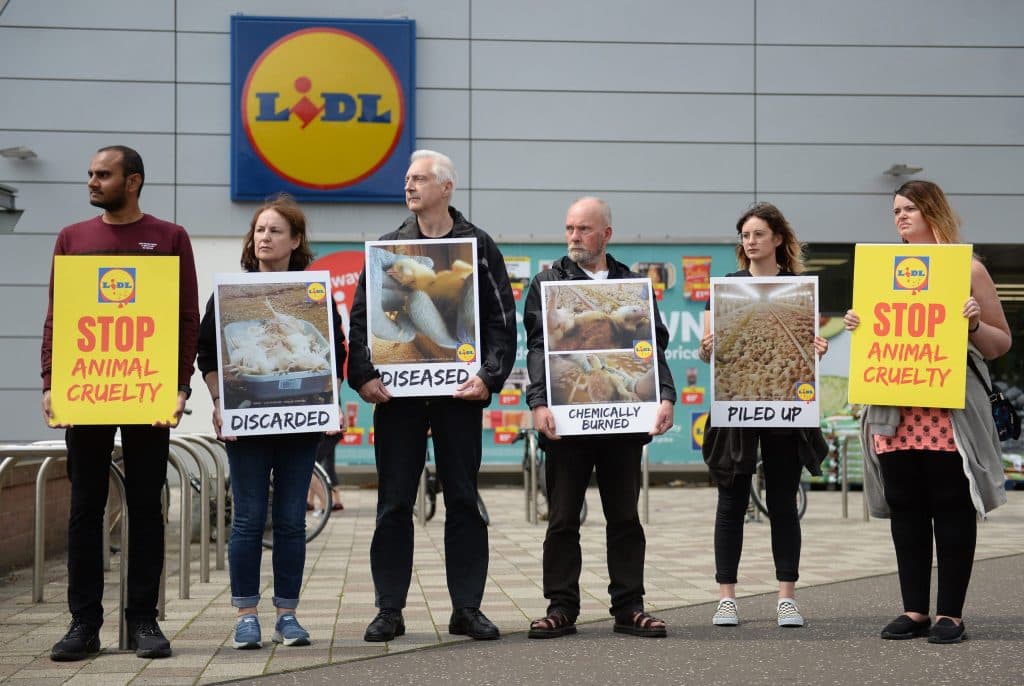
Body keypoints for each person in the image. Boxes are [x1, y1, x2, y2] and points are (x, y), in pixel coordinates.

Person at [348, 150, 517, 642]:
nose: (410, 185)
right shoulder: (387, 249)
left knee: (463, 500)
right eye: (407, 179)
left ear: (447, 188)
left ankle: (467, 608)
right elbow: (362, 321)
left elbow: (502, 322)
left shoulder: (478, 246)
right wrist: (363, 377)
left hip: (459, 398)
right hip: (397, 400)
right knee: (393, 503)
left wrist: (488, 377)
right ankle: (389, 610)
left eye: (420, 178)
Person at [41, 145, 200, 661]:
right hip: (86, 388)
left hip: (147, 391)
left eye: (102, 175)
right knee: (85, 506)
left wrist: (180, 386)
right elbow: (57, 316)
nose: (92, 181)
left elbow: (185, 319)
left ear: (132, 182)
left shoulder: (170, 237)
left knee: (146, 506)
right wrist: (50, 380)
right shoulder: (73, 238)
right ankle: (83, 624)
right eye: (90, 173)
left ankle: (144, 622)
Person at [843, 180, 1011, 644]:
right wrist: (858, 324)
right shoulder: (881, 270)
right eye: (895, 210)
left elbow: (1000, 344)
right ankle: (915, 609)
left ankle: (950, 614)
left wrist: (975, 323)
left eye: (909, 209)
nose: (899, 217)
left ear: (932, 211)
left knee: (952, 506)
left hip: (947, 411)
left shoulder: (968, 269)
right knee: (906, 508)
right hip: (895, 408)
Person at [197, 194, 346, 649]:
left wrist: (329, 402)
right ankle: (246, 614)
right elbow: (207, 353)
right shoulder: (229, 294)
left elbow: (333, 354)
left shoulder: (312, 295)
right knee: (247, 518)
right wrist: (221, 402)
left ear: (295, 240)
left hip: (299, 426)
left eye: (275, 230)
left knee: (289, 520)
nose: (264, 237)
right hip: (248, 424)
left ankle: (287, 614)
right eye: (260, 229)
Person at [523, 196, 676, 639]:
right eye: (569, 228)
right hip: (567, 423)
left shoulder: (632, 284)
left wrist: (665, 395)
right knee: (563, 517)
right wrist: (538, 402)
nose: (574, 237)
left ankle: (629, 607)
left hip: (622, 422)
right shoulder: (548, 282)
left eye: (584, 229)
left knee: (625, 517)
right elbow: (537, 348)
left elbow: (654, 346)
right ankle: (561, 606)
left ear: (606, 234)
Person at [698, 202, 829, 629]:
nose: (749, 242)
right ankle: (726, 597)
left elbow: (807, 352)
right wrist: (707, 350)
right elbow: (708, 351)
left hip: (785, 410)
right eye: (745, 235)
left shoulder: (799, 289)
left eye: (757, 234)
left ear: (777, 238)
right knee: (731, 499)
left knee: (783, 501)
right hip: (736, 408)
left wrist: (817, 351)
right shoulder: (726, 287)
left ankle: (786, 597)